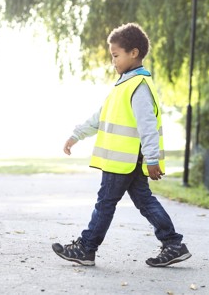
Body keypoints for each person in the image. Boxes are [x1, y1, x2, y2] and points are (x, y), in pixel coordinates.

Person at [52, 23, 191, 267]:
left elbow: (147, 126)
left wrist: (152, 159)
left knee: (105, 202)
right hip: (125, 161)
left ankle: (86, 248)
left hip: (124, 160)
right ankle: (173, 244)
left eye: (116, 55)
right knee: (144, 201)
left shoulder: (138, 86)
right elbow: (100, 117)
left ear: (133, 53)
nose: (113, 61)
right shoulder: (123, 85)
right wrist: (77, 135)